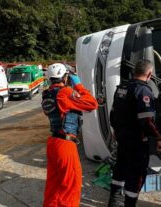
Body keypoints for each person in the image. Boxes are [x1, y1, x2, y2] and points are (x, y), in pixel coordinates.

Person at [41, 63, 98, 207]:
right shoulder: (65, 92)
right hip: (65, 144)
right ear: (65, 77)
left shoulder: (46, 94)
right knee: (70, 186)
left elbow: (63, 110)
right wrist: (78, 86)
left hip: (53, 142)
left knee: (53, 186)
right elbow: (92, 104)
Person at [108, 59, 161, 207]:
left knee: (120, 167)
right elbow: (147, 121)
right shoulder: (143, 90)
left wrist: (115, 130)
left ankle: (114, 201)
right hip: (137, 141)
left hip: (122, 137)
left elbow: (113, 114)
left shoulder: (121, 87)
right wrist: (158, 136)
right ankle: (129, 204)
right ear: (149, 74)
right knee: (136, 174)